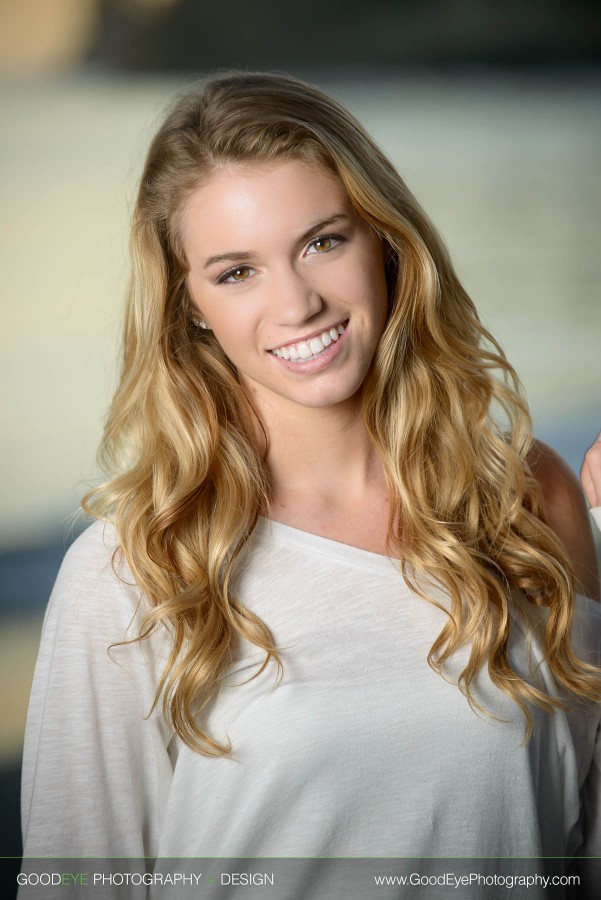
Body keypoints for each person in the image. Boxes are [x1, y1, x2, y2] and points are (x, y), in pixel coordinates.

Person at [20, 72, 601, 899]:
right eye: (235, 272)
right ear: (188, 306)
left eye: (323, 241)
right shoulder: (134, 570)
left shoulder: (527, 501)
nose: (295, 303)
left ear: (386, 241)